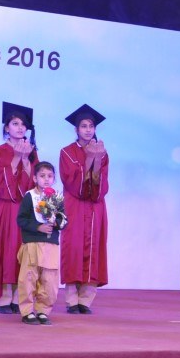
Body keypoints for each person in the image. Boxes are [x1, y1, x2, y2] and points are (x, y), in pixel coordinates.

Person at [60, 104, 109, 314]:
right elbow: (73, 184)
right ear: (76, 129)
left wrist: (97, 160)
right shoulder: (67, 152)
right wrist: (89, 159)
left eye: (91, 126)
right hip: (75, 206)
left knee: (94, 248)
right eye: (83, 126)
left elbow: (101, 187)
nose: (88, 130)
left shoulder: (103, 153)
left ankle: (86, 300)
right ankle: (72, 300)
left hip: (96, 208)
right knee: (73, 248)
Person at [0, 102, 37, 314]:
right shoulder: (0, 151)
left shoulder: (32, 152)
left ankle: (19, 298)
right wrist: (17, 157)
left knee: (23, 250)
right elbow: (1, 185)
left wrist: (26, 159)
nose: (19, 128)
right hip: (6, 208)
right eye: (15, 124)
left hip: (25, 210)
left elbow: (33, 185)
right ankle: (3, 299)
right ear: (6, 127)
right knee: (5, 249)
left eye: (23, 124)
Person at [16, 161, 65, 326]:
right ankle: (27, 311)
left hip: (50, 245)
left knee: (49, 280)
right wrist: (38, 227)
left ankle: (43, 311)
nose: (46, 179)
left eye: (50, 176)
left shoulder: (57, 198)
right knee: (28, 278)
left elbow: (63, 219)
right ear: (35, 178)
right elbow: (21, 220)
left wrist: (57, 222)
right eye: (42, 176)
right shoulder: (29, 197)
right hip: (32, 244)